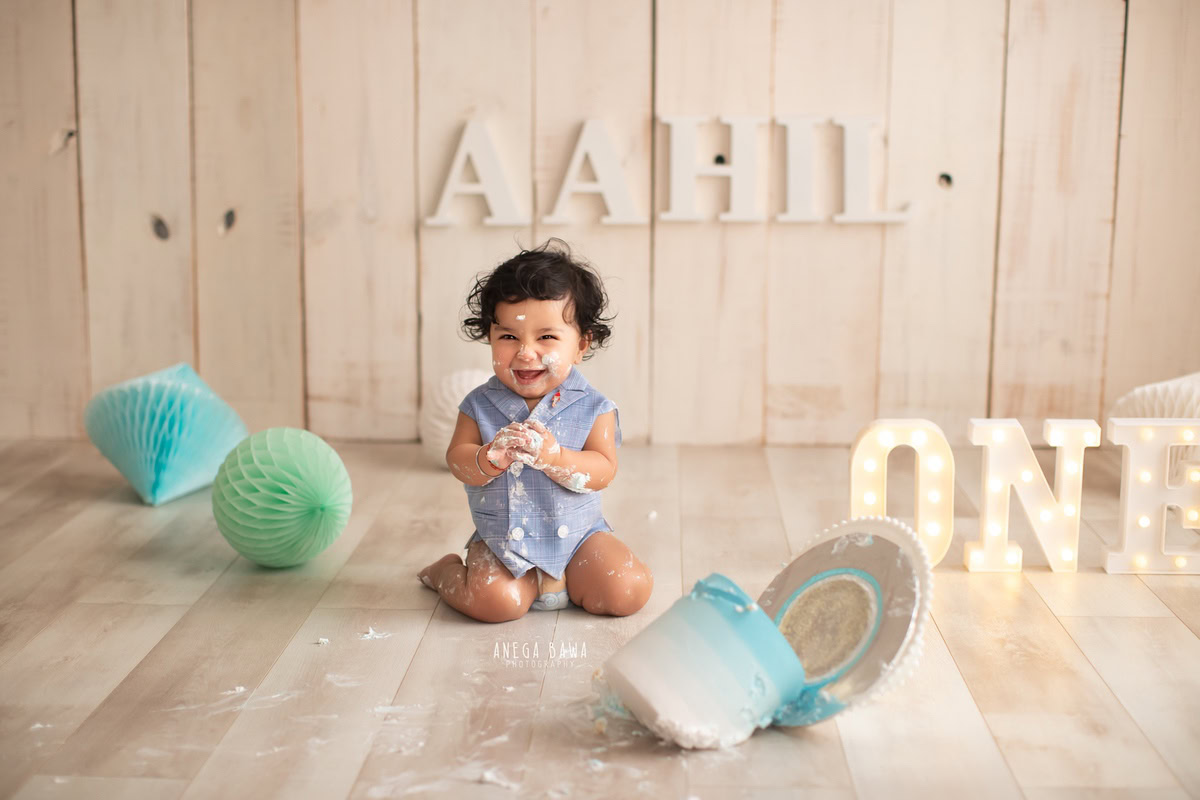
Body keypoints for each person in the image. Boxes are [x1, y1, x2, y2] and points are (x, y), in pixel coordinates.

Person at [418, 239, 653, 623]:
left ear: (581, 344)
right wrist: (486, 458)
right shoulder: (478, 405)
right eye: (509, 337)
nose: (526, 353)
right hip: (503, 544)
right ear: (489, 337)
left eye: (546, 337)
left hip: (578, 541)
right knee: (495, 604)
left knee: (628, 589)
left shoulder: (595, 408)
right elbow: (457, 461)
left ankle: (568, 581)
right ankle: (446, 571)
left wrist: (556, 459)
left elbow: (603, 470)